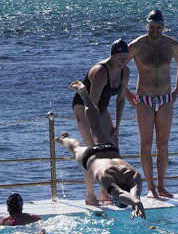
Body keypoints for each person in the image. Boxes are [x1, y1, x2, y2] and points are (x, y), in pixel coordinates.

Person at [56, 85, 146, 219]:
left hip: (110, 149)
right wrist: (135, 202)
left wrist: (136, 202)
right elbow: (119, 193)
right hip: (91, 157)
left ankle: (85, 96)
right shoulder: (105, 178)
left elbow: (135, 192)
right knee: (75, 147)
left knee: (96, 126)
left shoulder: (134, 174)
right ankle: (63, 139)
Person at [127, 10, 178, 200]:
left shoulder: (172, 44)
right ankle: (150, 187)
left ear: (163, 27)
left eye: (159, 27)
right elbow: (118, 67)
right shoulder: (137, 45)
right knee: (146, 144)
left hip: (165, 99)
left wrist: (176, 91)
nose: (155, 30)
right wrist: (127, 93)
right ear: (147, 26)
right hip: (144, 99)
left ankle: (161, 186)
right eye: (152, 26)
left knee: (162, 144)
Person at [71, 39, 131, 206]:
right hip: (85, 107)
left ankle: (104, 193)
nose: (123, 59)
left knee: (113, 148)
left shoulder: (125, 71)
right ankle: (90, 196)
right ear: (112, 56)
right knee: (94, 153)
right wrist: (95, 131)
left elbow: (120, 99)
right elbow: (92, 104)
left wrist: (117, 127)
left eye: (126, 56)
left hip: (102, 108)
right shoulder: (100, 72)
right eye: (120, 56)